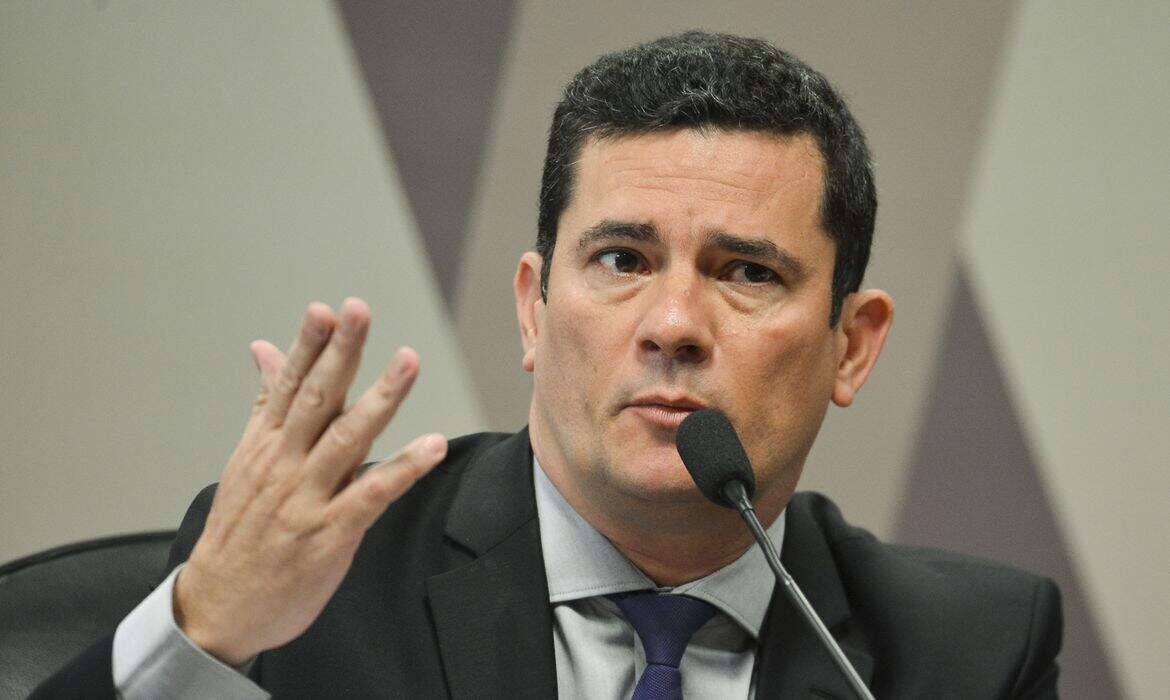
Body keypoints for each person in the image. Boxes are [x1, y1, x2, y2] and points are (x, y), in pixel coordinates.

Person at [35, 31, 1061, 698]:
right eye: (622, 260)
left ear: (853, 343)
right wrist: (201, 637)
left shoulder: (966, 653)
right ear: (533, 308)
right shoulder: (316, 584)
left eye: (747, 272)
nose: (673, 324)